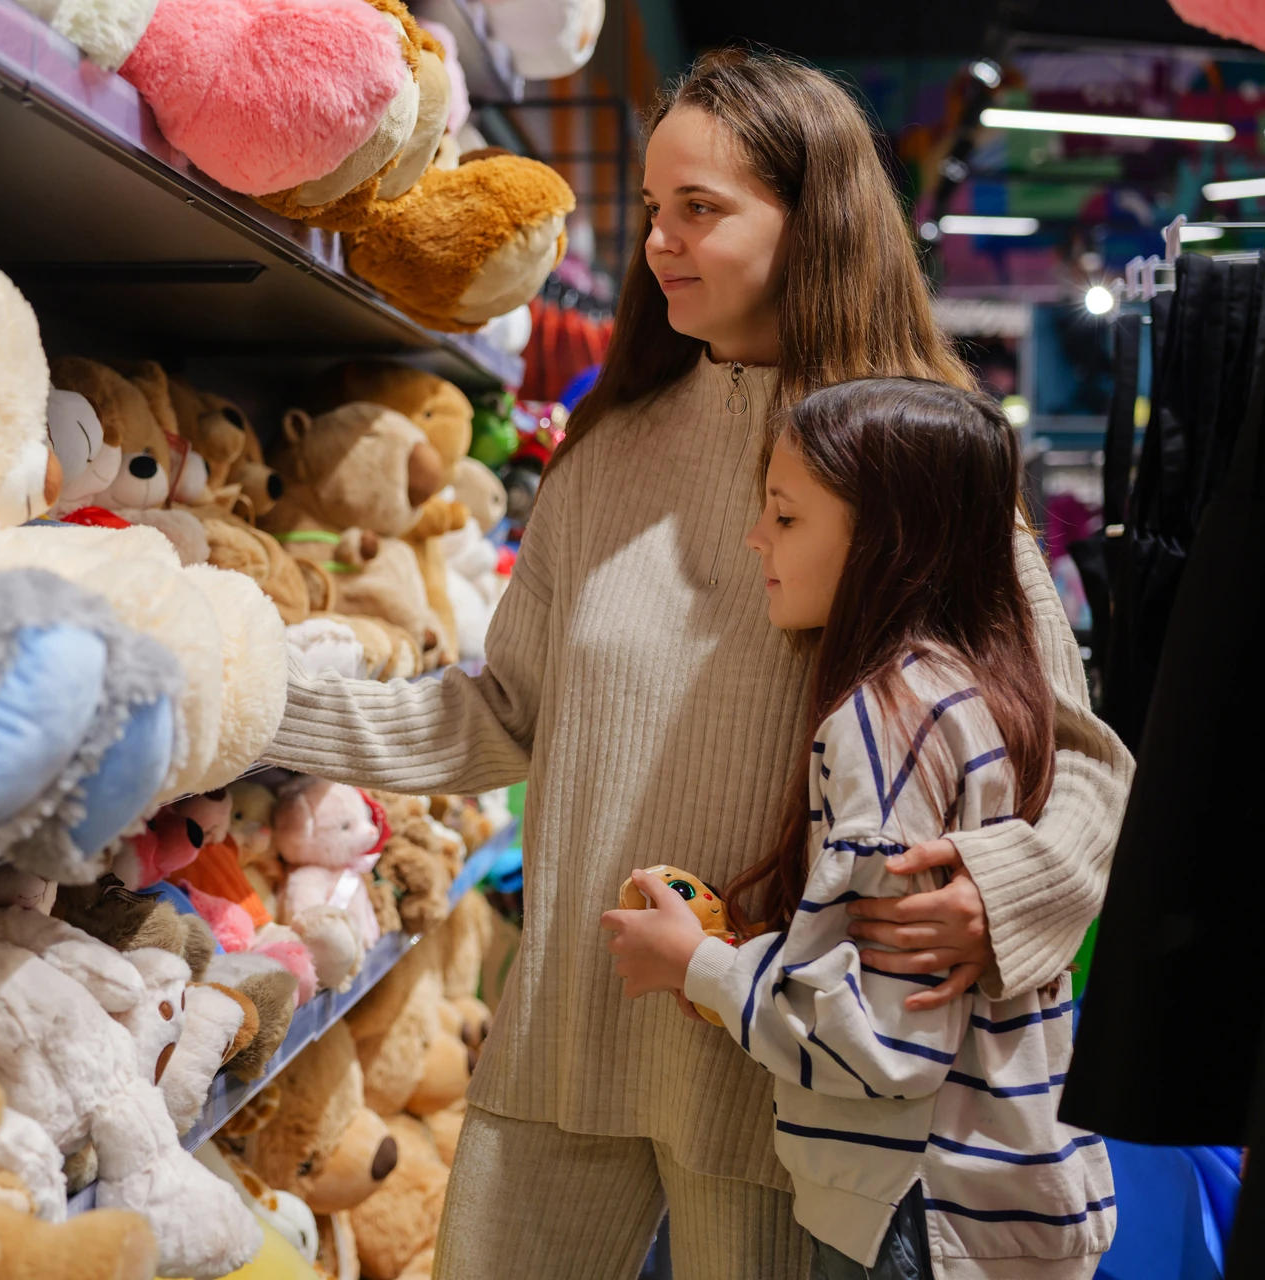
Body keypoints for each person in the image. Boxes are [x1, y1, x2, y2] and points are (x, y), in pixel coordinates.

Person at [263, 46, 1130, 1279]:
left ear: (813, 219)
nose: (662, 242)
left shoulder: (909, 459)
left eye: (701, 210)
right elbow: (504, 712)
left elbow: (1080, 756)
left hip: (782, 1075)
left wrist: (1001, 893)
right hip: (570, 1033)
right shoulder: (605, 451)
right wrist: (254, 706)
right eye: (657, 208)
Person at [602, 378, 1114, 1280]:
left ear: (887, 540)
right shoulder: (981, 687)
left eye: (787, 518)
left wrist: (699, 965)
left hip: (914, 1207)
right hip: (1001, 1177)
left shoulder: (883, 719)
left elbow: (883, 1045)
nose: (757, 538)